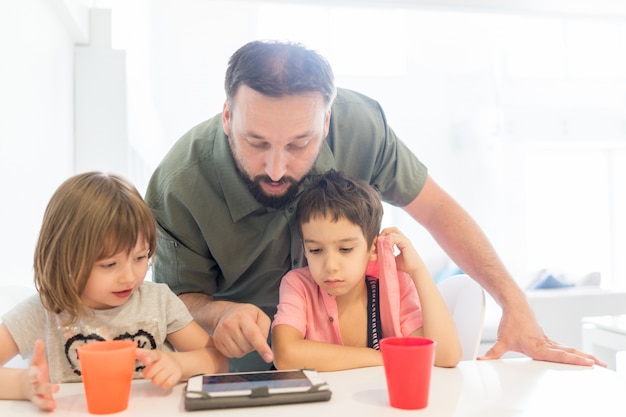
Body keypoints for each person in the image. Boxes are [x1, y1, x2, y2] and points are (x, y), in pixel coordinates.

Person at [145, 39, 603, 372]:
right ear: (227, 117)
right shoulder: (178, 185)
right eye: (256, 142)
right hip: (241, 370)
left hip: (355, 378)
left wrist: (514, 305)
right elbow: (176, 300)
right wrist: (221, 312)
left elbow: (438, 211)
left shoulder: (362, 127)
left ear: (326, 121)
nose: (278, 167)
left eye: (300, 143)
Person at [0, 172, 228, 412]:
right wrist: (23, 384)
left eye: (140, 257)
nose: (129, 277)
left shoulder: (158, 300)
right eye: (109, 264)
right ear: (65, 259)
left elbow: (218, 360)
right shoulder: (44, 311)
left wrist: (179, 364)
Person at [272, 170, 461, 370]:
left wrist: (418, 271)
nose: (330, 265)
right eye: (315, 250)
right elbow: (285, 355)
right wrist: (386, 358)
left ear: (373, 248)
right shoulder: (298, 285)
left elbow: (445, 357)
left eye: (345, 249)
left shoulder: (395, 287)